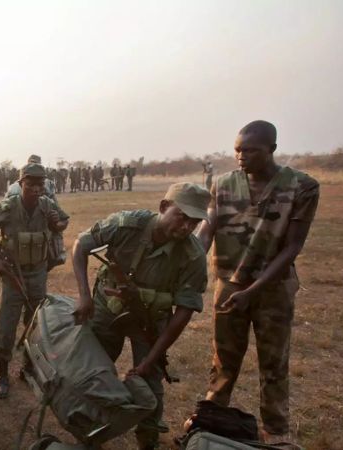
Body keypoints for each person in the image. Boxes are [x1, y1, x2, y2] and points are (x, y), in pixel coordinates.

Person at [198, 120, 319, 443]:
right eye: (237, 150)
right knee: (224, 357)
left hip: (273, 289)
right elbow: (208, 229)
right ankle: (212, 416)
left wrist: (253, 290)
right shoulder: (223, 185)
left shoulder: (301, 187)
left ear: (272, 150)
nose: (241, 156)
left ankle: (275, 430)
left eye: (250, 150)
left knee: (273, 361)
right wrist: (191, 262)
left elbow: (292, 246)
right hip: (229, 286)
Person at [71, 182, 210, 449]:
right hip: (106, 306)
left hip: (149, 320)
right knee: (94, 369)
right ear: (163, 207)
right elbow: (81, 245)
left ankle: (148, 439)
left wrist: (151, 358)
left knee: (150, 384)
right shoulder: (126, 225)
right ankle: (89, 431)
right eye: (182, 217)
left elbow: (183, 314)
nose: (186, 227)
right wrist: (85, 296)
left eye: (194, 222)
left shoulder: (193, 256)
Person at [0, 162, 69, 399]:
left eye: (40, 184)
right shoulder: (8, 207)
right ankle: (2, 374)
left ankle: (28, 368)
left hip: (38, 273)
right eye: (30, 184)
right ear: (21, 184)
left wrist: (54, 222)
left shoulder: (48, 205)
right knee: (7, 323)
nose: (36, 189)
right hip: (13, 275)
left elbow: (63, 223)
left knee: (35, 323)